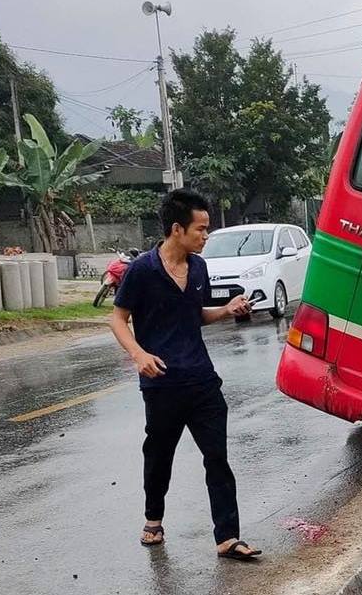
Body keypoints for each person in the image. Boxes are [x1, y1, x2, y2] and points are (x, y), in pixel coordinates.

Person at [110, 189, 262, 561]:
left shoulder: (199, 268)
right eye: (201, 229)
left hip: (202, 381)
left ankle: (227, 537)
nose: (206, 236)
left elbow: (195, 316)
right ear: (177, 229)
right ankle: (153, 519)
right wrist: (138, 354)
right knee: (159, 455)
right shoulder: (143, 270)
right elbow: (117, 318)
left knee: (217, 458)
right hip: (161, 384)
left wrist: (226, 309)